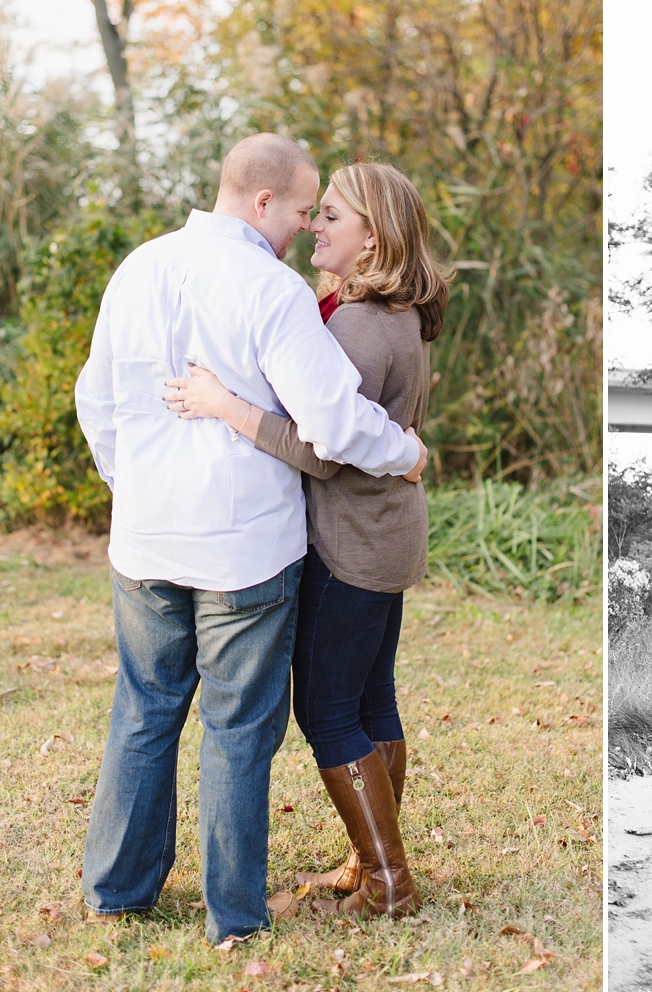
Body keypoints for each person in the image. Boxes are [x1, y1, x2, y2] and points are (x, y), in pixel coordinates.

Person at [74, 134, 427, 945]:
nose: (308, 226)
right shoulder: (272, 290)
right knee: (237, 730)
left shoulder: (141, 265)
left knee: (143, 710)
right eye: (306, 209)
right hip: (244, 552)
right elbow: (336, 426)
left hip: (148, 539)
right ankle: (233, 918)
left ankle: (117, 893)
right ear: (264, 202)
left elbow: (96, 399)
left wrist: (132, 487)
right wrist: (406, 451)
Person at [162, 162, 452, 921]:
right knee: (369, 699)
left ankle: (388, 884)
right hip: (385, 534)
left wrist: (224, 404)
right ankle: (370, 862)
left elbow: (325, 449)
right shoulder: (397, 313)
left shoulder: (357, 323)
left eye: (331, 215)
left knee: (327, 712)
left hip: (350, 542)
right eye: (315, 212)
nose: (314, 226)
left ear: (372, 236)